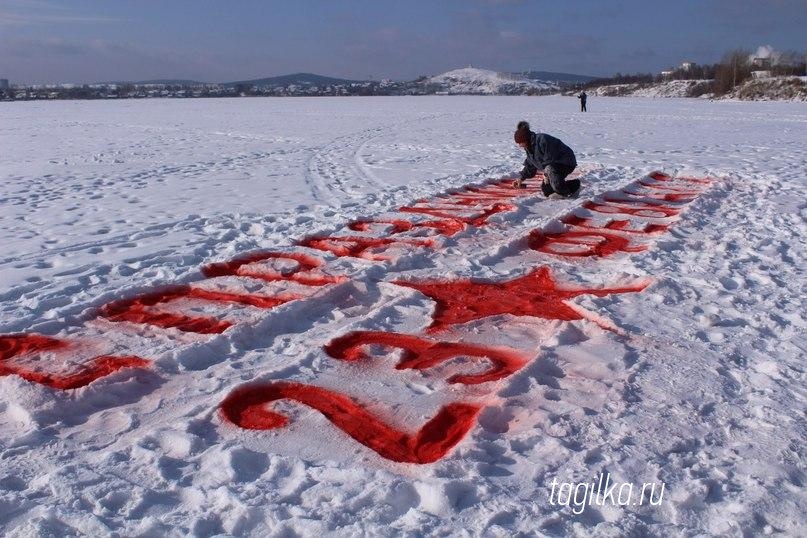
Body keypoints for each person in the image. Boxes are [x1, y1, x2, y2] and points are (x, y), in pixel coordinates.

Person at [512, 121, 580, 197]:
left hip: (566, 162)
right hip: (551, 167)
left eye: (520, 142)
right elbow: (530, 165)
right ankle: (572, 184)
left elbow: (550, 158)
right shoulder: (529, 148)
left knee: (552, 177)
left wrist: (546, 174)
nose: (520, 145)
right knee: (547, 191)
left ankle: (566, 192)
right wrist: (521, 178)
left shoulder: (543, 139)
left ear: (526, 139)